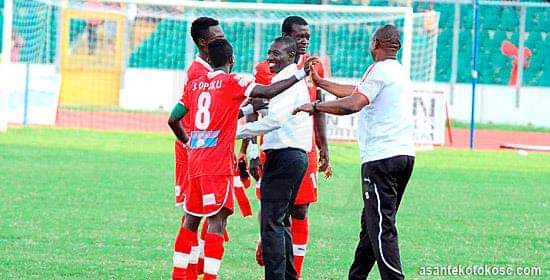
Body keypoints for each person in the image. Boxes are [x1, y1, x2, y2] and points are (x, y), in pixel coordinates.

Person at [168, 38, 312, 280]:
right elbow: (265, 93)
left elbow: (173, 119)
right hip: (217, 163)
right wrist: (300, 75)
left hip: (195, 160)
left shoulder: (194, 85)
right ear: (232, 60)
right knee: (218, 219)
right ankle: (210, 277)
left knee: (191, 218)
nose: (270, 58)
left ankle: (181, 275)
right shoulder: (233, 81)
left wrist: (189, 143)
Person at [294, 25, 415, 280]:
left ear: (375, 44)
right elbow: (356, 91)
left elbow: (354, 103)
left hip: (381, 159)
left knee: (382, 227)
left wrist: (317, 106)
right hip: (404, 155)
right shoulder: (398, 71)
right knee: (371, 226)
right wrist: (322, 83)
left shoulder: (379, 69)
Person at [247, 16, 332, 278]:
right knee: (276, 215)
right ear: (287, 37)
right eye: (300, 36)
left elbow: (319, 109)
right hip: (274, 147)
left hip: (300, 149)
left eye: (308, 36)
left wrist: (323, 147)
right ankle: (281, 264)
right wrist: (249, 151)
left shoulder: (314, 68)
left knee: (298, 209)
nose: (305, 40)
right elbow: (254, 110)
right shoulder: (268, 68)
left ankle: (291, 271)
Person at [236, 36, 313, 280]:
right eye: (269, 52)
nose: (270, 57)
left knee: (271, 223)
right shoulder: (286, 79)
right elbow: (269, 109)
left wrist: (234, 132)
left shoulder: (285, 80)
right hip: (293, 155)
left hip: (285, 155)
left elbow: (274, 121)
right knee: (281, 222)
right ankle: (288, 276)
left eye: (276, 54)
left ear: (290, 56)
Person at [169, 17, 224, 280]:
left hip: (201, 151)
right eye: (217, 35)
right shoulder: (201, 73)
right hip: (200, 152)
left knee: (200, 214)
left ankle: (190, 270)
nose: (222, 38)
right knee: (206, 215)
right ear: (203, 42)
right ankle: (192, 271)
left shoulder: (205, 69)